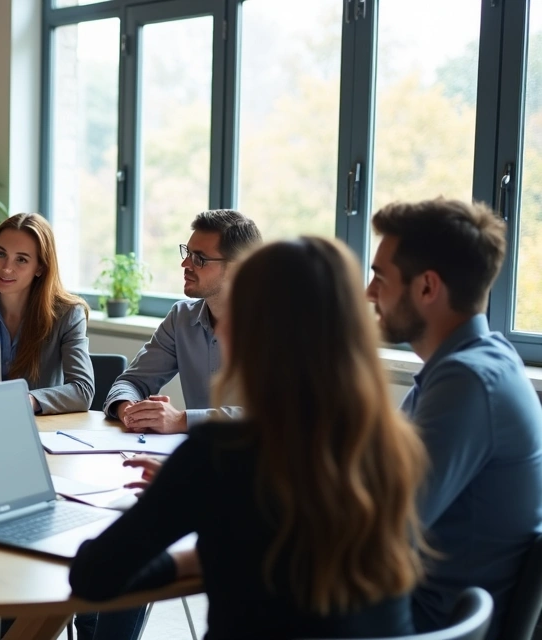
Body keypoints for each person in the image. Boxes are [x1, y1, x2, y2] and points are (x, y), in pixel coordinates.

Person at [72, 237, 429, 639]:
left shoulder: (222, 453)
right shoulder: (396, 445)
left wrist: (182, 500)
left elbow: (92, 575)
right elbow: (289, 556)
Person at [367, 198, 542, 639]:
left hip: (428, 625)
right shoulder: (474, 361)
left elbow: (384, 533)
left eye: (380, 277)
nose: (369, 292)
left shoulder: (468, 381)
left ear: (427, 287)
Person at [103, 210, 261, 434]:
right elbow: (131, 382)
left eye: (199, 258)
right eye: (187, 253)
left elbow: (272, 414)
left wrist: (181, 420)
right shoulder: (181, 317)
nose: (185, 264)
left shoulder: (276, 326)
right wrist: (131, 410)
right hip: (198, 451)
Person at [0, 213, 93, 414]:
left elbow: (83, 390)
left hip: (37, 426)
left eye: (21, 259)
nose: (6, 268)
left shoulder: (69, 315)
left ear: (40, 267)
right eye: (0, 254)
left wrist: (29, 400)